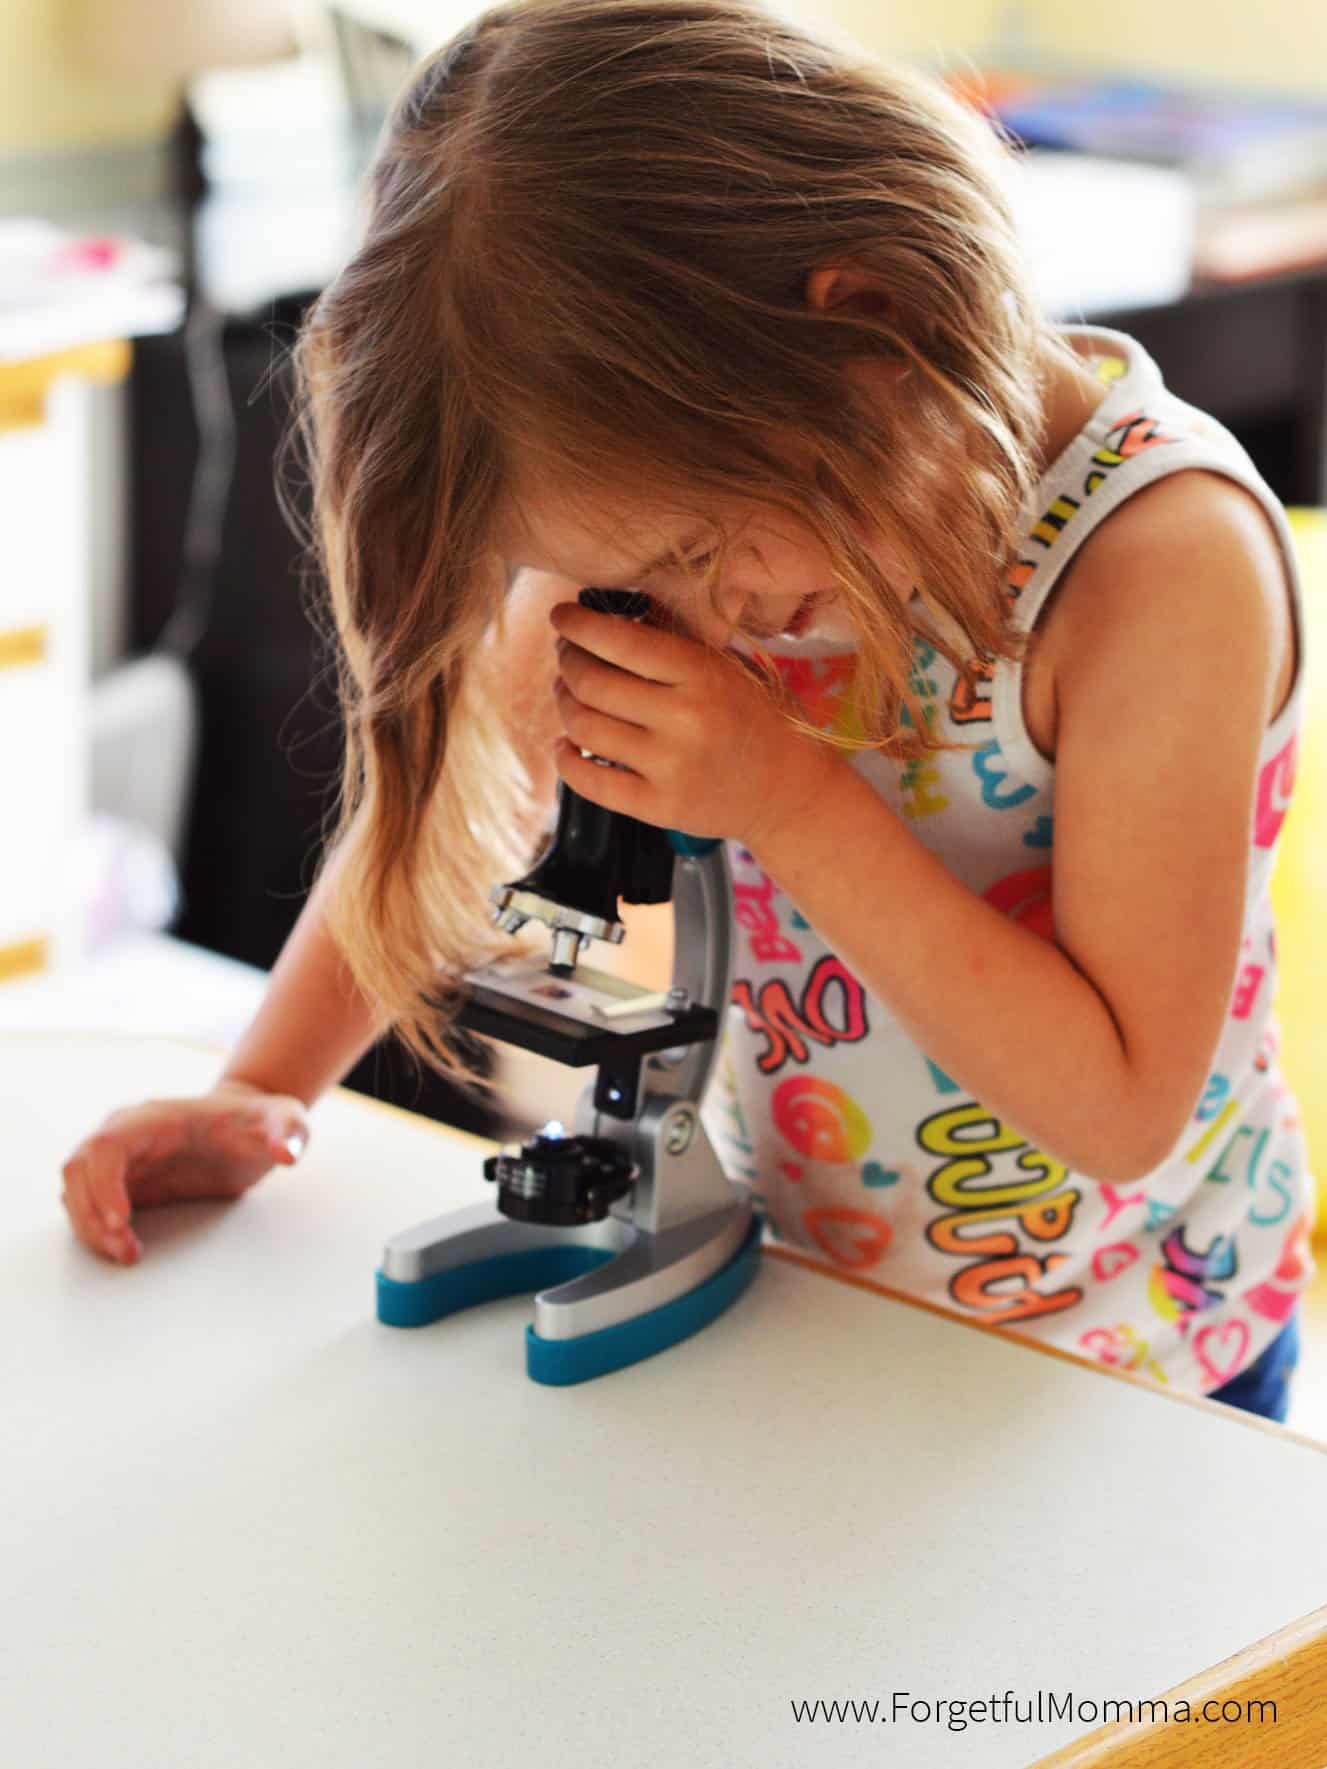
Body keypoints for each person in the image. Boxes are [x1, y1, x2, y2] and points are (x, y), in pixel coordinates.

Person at [60, 0, 1313, 1422]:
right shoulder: (712, 515)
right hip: (825, 1320)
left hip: (1146, 1373)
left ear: (873, 322)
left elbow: (1123, 1108)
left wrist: (786, 797)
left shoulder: (1157, 571)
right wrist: (263, 1086)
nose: (695, 616)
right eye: (637, 576)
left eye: (698, 551)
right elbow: (465, 803)